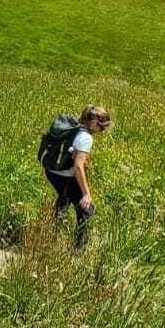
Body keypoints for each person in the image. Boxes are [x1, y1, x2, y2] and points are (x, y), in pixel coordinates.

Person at [41, 106, 111, 249]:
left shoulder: (73, 128)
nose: (103, 131)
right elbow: (78, 167)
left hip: (51, 170)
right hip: (64, 174)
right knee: (86, 209)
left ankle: (51, 238)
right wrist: (86, 194)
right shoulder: (86, 138)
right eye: (102, 127)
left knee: (65, 198)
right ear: (94, 122)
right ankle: (78, 250)